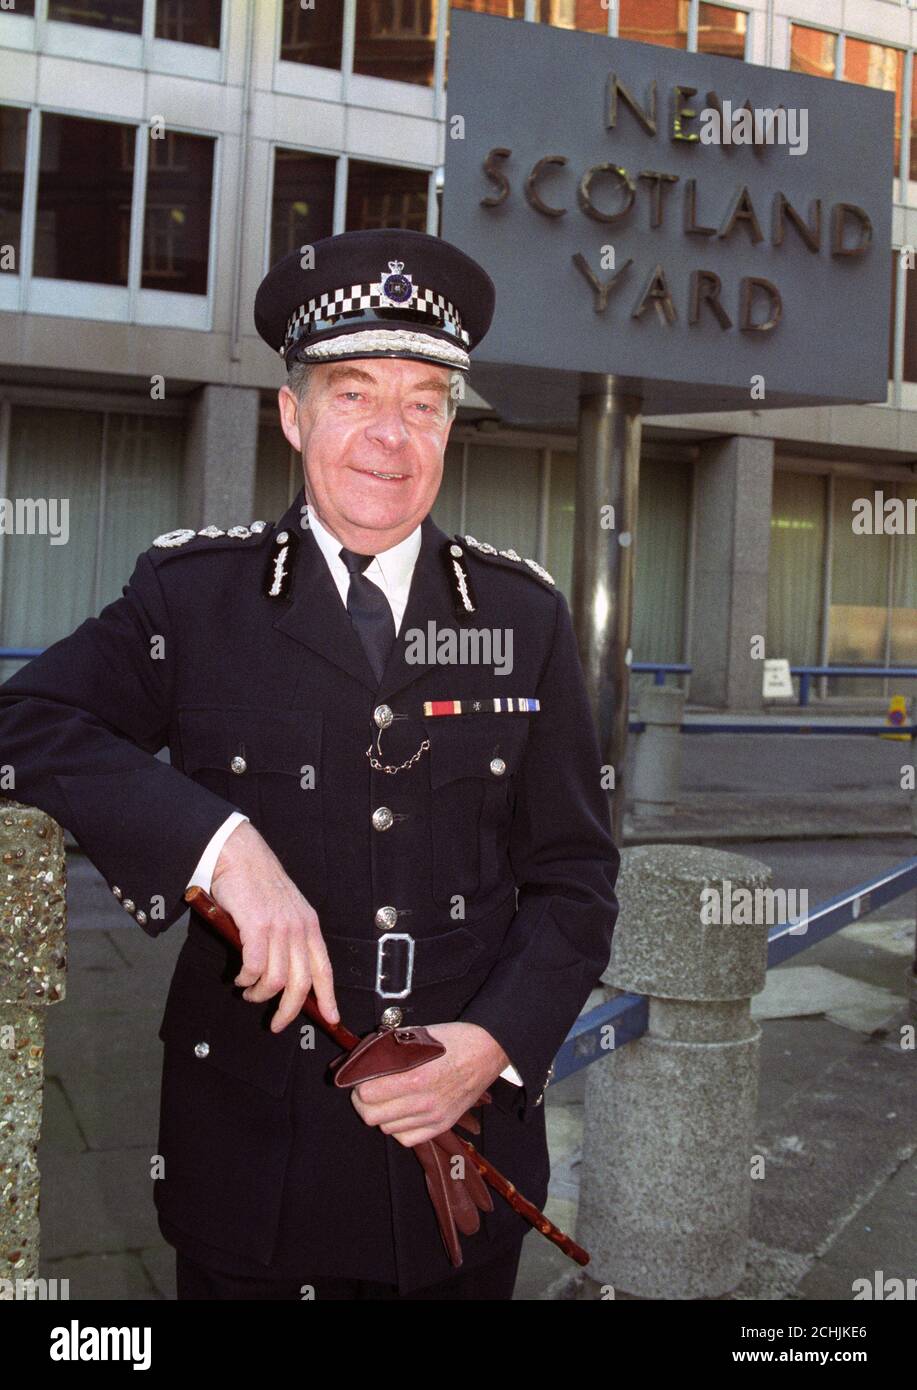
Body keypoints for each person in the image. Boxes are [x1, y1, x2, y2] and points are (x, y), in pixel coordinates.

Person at [0, 227, 620, 1300]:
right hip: (254, 1167)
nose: (390, 435)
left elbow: (574, 877)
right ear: (292, 415)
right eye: (352, 393)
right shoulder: (194, 600)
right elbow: (27, 722)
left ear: (448, 425)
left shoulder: (522, 617)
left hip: (457, 1164)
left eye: (422, 399)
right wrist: (219, 844)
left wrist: (490, 1045)